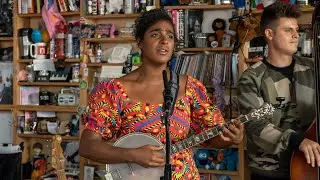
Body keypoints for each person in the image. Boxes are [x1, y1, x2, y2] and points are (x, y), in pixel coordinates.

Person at [79, 8, 243, 180]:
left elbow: (214, 139)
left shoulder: (191, 87)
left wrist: (230, 138)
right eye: (156, 34)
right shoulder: (113, 91)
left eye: (170, 36)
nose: (165, 40)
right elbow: (88, 146)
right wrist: (133, 155)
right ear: (140, 42)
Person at [237, 1, 320, 180]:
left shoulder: (314, 68)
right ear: (269, 34)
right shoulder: (251, 78)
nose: (296, 35)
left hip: (310, 167)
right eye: (288, 30)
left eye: (297, 30)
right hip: (270, 172)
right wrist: (297, 141)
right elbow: (256, 125)